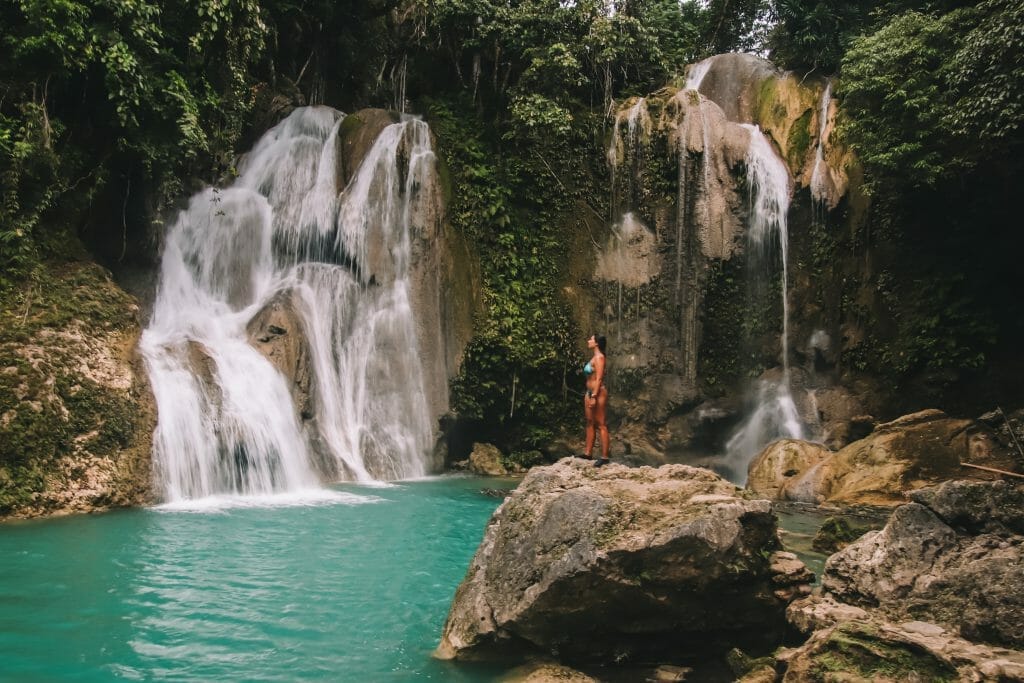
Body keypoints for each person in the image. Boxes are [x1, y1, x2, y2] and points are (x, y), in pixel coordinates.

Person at [582, 333, 610, 466]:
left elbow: (599, 378)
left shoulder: (599, 358)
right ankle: (587, 453)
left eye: (591, 339)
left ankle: (604, 457)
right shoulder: (594, 357)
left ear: (596, 343)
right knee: (589, 422)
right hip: (589, 392)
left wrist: (594, 396)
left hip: (597, 393)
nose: (588, 341)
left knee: (601, 423)